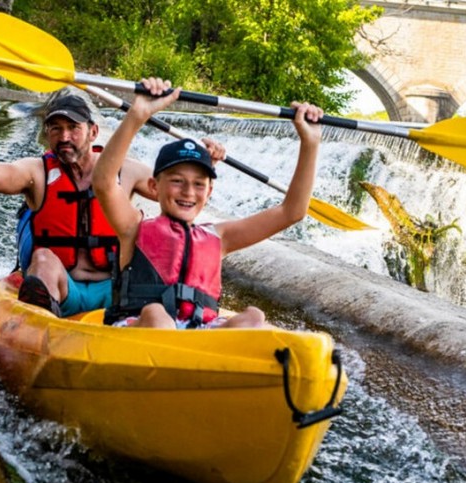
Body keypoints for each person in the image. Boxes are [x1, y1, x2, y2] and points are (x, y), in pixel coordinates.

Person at [0, 69, 225, 317]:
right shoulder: (36, 172)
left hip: (116, 290)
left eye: (73, 128)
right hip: (62, 288)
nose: (64, 136)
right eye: (56, 129)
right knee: (43, 259)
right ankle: (42, 330)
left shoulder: (126, 170)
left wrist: (201, 164)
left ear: (93, 132)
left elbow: (177, 194)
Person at [93, 77, 323, 329]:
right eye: (177, 181)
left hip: (199, 334)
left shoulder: (220, 237)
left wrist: (310, 143)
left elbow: (292, 212)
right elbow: (104, 182)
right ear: (153, 187)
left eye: (199, 184)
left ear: (210, 191)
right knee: (156, 315)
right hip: (140, 328)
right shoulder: (132, 227)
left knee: (254, 317)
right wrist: (137, 115)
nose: (189, 191)